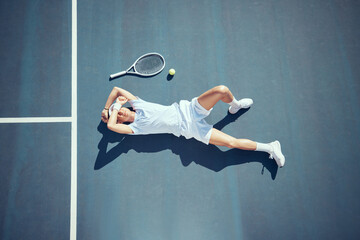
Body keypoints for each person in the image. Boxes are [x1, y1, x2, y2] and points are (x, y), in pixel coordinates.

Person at [101, 85, 285, 167]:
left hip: (190, 109)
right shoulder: (135, 128)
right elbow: (111, 127)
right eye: (119, 116)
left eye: (122, 110)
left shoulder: (138, 104)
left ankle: (235, 105)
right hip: (190, 130)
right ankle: (270, 147)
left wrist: (107, 108)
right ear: (122, 122)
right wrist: (115, 108)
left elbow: (116, 89)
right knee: (231, 143)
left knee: (222, 90)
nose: (121, 113)